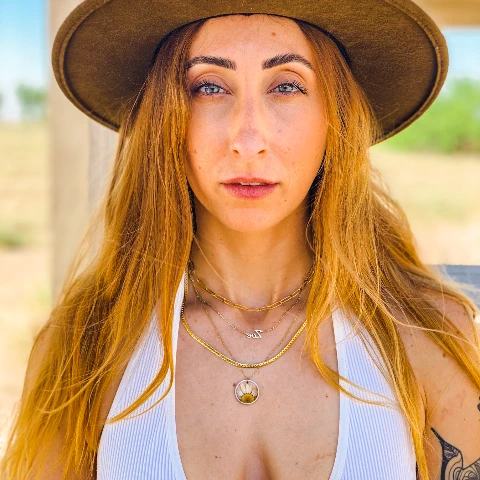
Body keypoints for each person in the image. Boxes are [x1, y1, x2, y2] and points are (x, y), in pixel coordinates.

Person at [1, 1, 480, 479]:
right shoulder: (86, 345)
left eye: (287, 86)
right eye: (209, 87)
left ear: (336, 118)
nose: (248, 141)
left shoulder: (428, 335)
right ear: (164, 119)